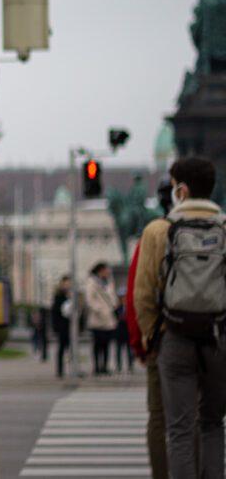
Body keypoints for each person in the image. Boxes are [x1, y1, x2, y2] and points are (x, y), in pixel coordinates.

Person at [135, 156, 226, 479]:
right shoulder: (224, 226)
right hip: (218, 339)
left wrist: (152, 336)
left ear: (181, 191)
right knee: (213, 424)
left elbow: (143, 293)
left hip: (174, 338)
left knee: (179, 430)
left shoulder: (159, 231)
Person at [125, 179, 173, 479]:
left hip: (164, 339)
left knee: (159, 418)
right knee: (205, 420)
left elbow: (137, 294)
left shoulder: (154, 233)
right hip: (210, 341)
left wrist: (141, 343)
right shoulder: (219, 227)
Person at [84, 262, 118, 375]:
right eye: (105, 270)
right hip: (97, 319)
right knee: (97, 344)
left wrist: (114, 305)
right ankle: (97, 366)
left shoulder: (109, 282)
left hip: (108, 317)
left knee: (106, 344)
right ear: (100, 271)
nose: (107, 272)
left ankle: (105, 366)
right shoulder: (92, 282)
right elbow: (89, 299)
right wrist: (98, 309)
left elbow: (113, 296)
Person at [50, 275, 72, 378]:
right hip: (62, 326)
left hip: (71, 326)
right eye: (66, 283)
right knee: (62, 348)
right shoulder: (58, 296)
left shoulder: (72, 295)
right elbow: (55, 311)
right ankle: (60, 371)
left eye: (69, 283)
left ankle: (73, 370)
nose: (68, 285)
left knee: (72, 349)